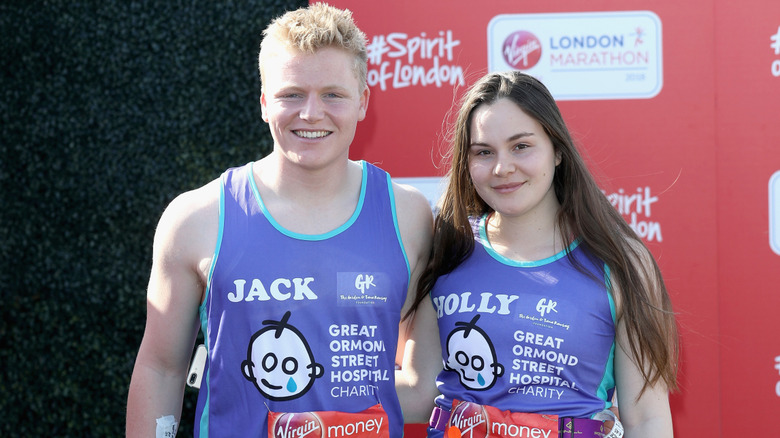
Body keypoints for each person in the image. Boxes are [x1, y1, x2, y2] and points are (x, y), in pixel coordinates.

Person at [126, 4, 432, 437]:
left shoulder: (409, 216)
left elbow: (426, 384)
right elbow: (161, 370)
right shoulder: (197, 218)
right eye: (292, 94)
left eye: (333, 94)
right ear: (265, 102)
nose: (311, 113)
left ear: (363, 102)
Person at [397, 71, 679, 437]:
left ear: (558, 151)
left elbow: (647, 419)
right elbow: (420, 393)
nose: (502, 168)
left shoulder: (621, 261)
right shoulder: (447, 250)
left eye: (521, 146)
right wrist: (318, 391)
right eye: (484, 152)